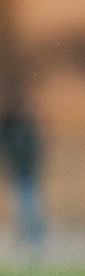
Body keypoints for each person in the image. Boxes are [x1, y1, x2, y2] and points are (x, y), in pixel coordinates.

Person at [0, 78, 46, 257]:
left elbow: (36, 149)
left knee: (29, 209)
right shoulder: (12, 128)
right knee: (24, 209)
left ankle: (34, 243)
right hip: (19, 175)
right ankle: (28, 243)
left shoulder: (25, 129)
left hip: (27, 175)